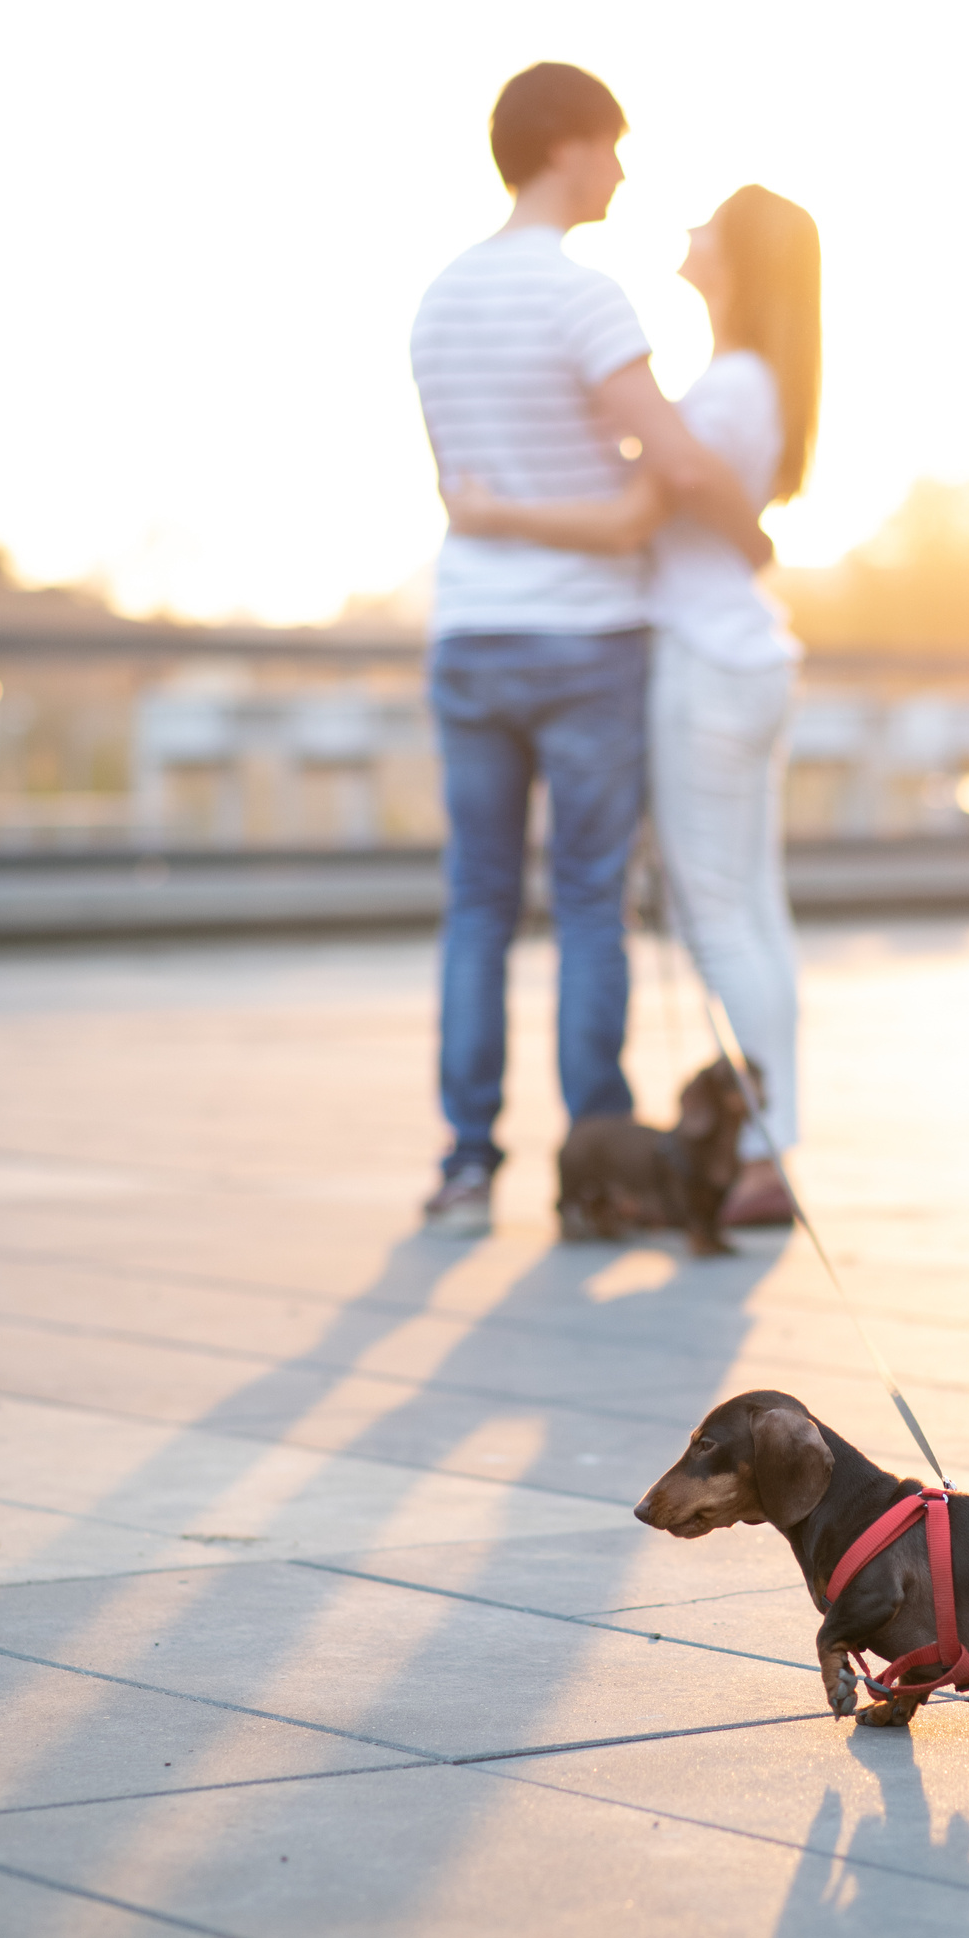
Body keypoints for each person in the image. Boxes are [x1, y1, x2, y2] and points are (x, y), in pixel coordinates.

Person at [410, 63, 770, 1237]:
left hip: (469, 631)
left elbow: (464, 488)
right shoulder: (586, 299)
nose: (620, 170)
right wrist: (747, 527)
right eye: (612, 148)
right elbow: (669, 461)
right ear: (566, 146)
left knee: (474, 905)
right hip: (583, 639)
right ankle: (595, 1160)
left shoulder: (440, 299)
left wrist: (514, 516)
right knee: (582, 905)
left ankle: (466, 1167)